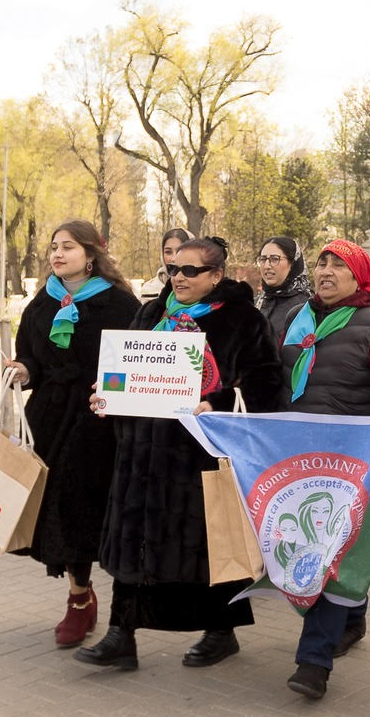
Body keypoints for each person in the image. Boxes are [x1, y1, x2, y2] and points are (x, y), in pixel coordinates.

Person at [77, 235, 285, 672]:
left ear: (216, 275)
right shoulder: (152, 312)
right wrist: (107, 393)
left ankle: (221, 631)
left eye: (191, 271)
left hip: (197, 456)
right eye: (174, 269)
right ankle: (120, 634)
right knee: (134, 545)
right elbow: (124, 372)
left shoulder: (240, 319)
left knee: (207, 547)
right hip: (140, 455)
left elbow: (267, 381)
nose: (179, 277)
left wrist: (219, 401)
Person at [278, 239, 370, 698]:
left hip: (350, 464)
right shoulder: (297, 319)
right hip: (298, 457)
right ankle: (353, 615)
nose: (326, 271)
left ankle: (313, 662)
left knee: (326, 551)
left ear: (358, 275)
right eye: (321, 263)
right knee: (321, 547)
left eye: (337, 265)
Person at [2, 221, 141, 647]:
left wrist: (113, 391)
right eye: (54, 247)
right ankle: (80, 595)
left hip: (99, 419)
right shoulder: (42, 302)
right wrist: (24, 370)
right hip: (49, 417)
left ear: (91, 254)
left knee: (82, 505)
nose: (58, 255)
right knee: (57, 507)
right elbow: (31, 355)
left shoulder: (120, 303)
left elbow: (135, 359)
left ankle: (96, 604)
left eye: (68, 247)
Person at [256, 236, 310, 343]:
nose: (267, 266)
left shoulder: (305, 308)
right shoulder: (256, 303)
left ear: (292, 263)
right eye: (263, 259)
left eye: (275, 259)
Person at [139, 226, 194, 302]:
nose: (173, 258)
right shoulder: (149, 289)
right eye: (168, 252)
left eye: (179, 251)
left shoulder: (200, 286)